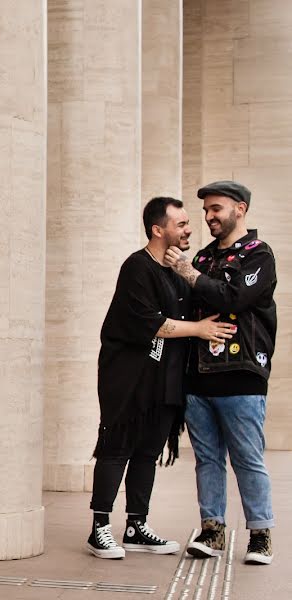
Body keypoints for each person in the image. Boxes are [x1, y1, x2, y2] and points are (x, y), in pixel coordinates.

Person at [87, 197, 236, 560]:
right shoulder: (136, 268)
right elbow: (152, 324)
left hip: (165, 381)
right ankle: (99, 528)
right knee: (117, 446)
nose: (189, 229)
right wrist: (199, 329)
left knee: (148, 451)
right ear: (158, 229)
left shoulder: (176, 272)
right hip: (128, 377)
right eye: (181, 224)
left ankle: (137, 525)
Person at [165, 180, 277, 565]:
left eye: (216, 209)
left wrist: (188, 274)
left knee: (247, 457)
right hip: (198, 376)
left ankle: (260, 535)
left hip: (242, 375)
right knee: (208, 460)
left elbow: (234, 298)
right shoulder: (202, 258)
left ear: (240, 209)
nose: (209, 217)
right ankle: (212, 531)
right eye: (207, 211)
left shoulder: (258, 254)